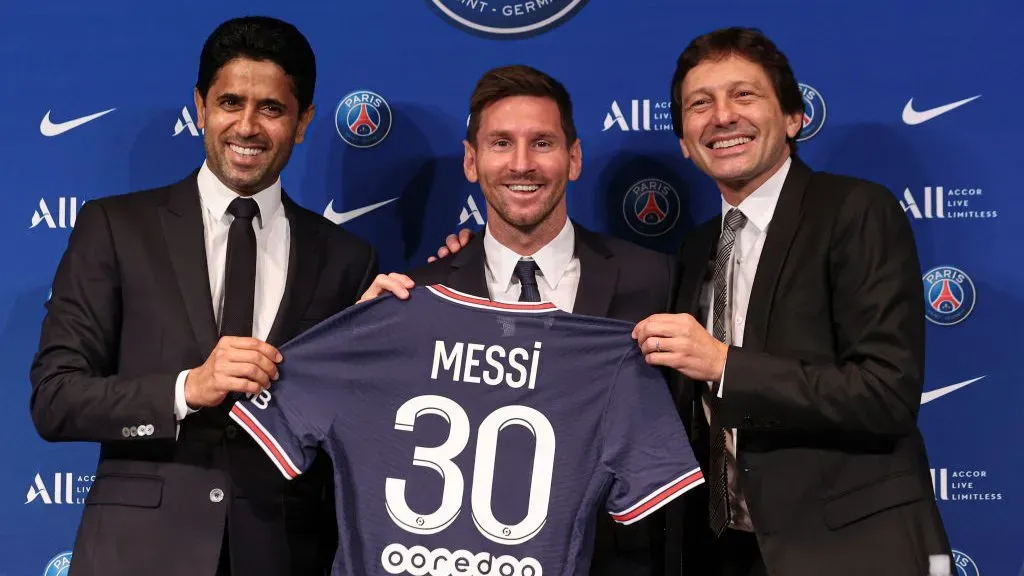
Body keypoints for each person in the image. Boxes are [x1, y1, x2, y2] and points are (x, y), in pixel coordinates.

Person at [29, 16, 377, 576]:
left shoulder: (347, 258)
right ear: (200, 107)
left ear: (304, 120)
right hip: (138, 556)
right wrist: (188, 388)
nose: (247, 126)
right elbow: (56, 399)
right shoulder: (115, 228)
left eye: (272, 108)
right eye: (230, 102)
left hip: (284, 554)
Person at [629, 27, 952, 576]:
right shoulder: (694, 246)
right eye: (699, 104)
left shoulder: (854, 210)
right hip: (727, 552)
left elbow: (885, 392)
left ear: (794, 118)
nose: (723, 116)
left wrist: (724, 364)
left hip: (851, 550)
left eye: (744, 95)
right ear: (684, 140)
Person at [359, 64, 676, 576]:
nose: (522, 164)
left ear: (574, 158)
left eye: (543, 144)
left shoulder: (654, 279)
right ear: (471, 161)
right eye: (501, 143)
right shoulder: (416, 298)